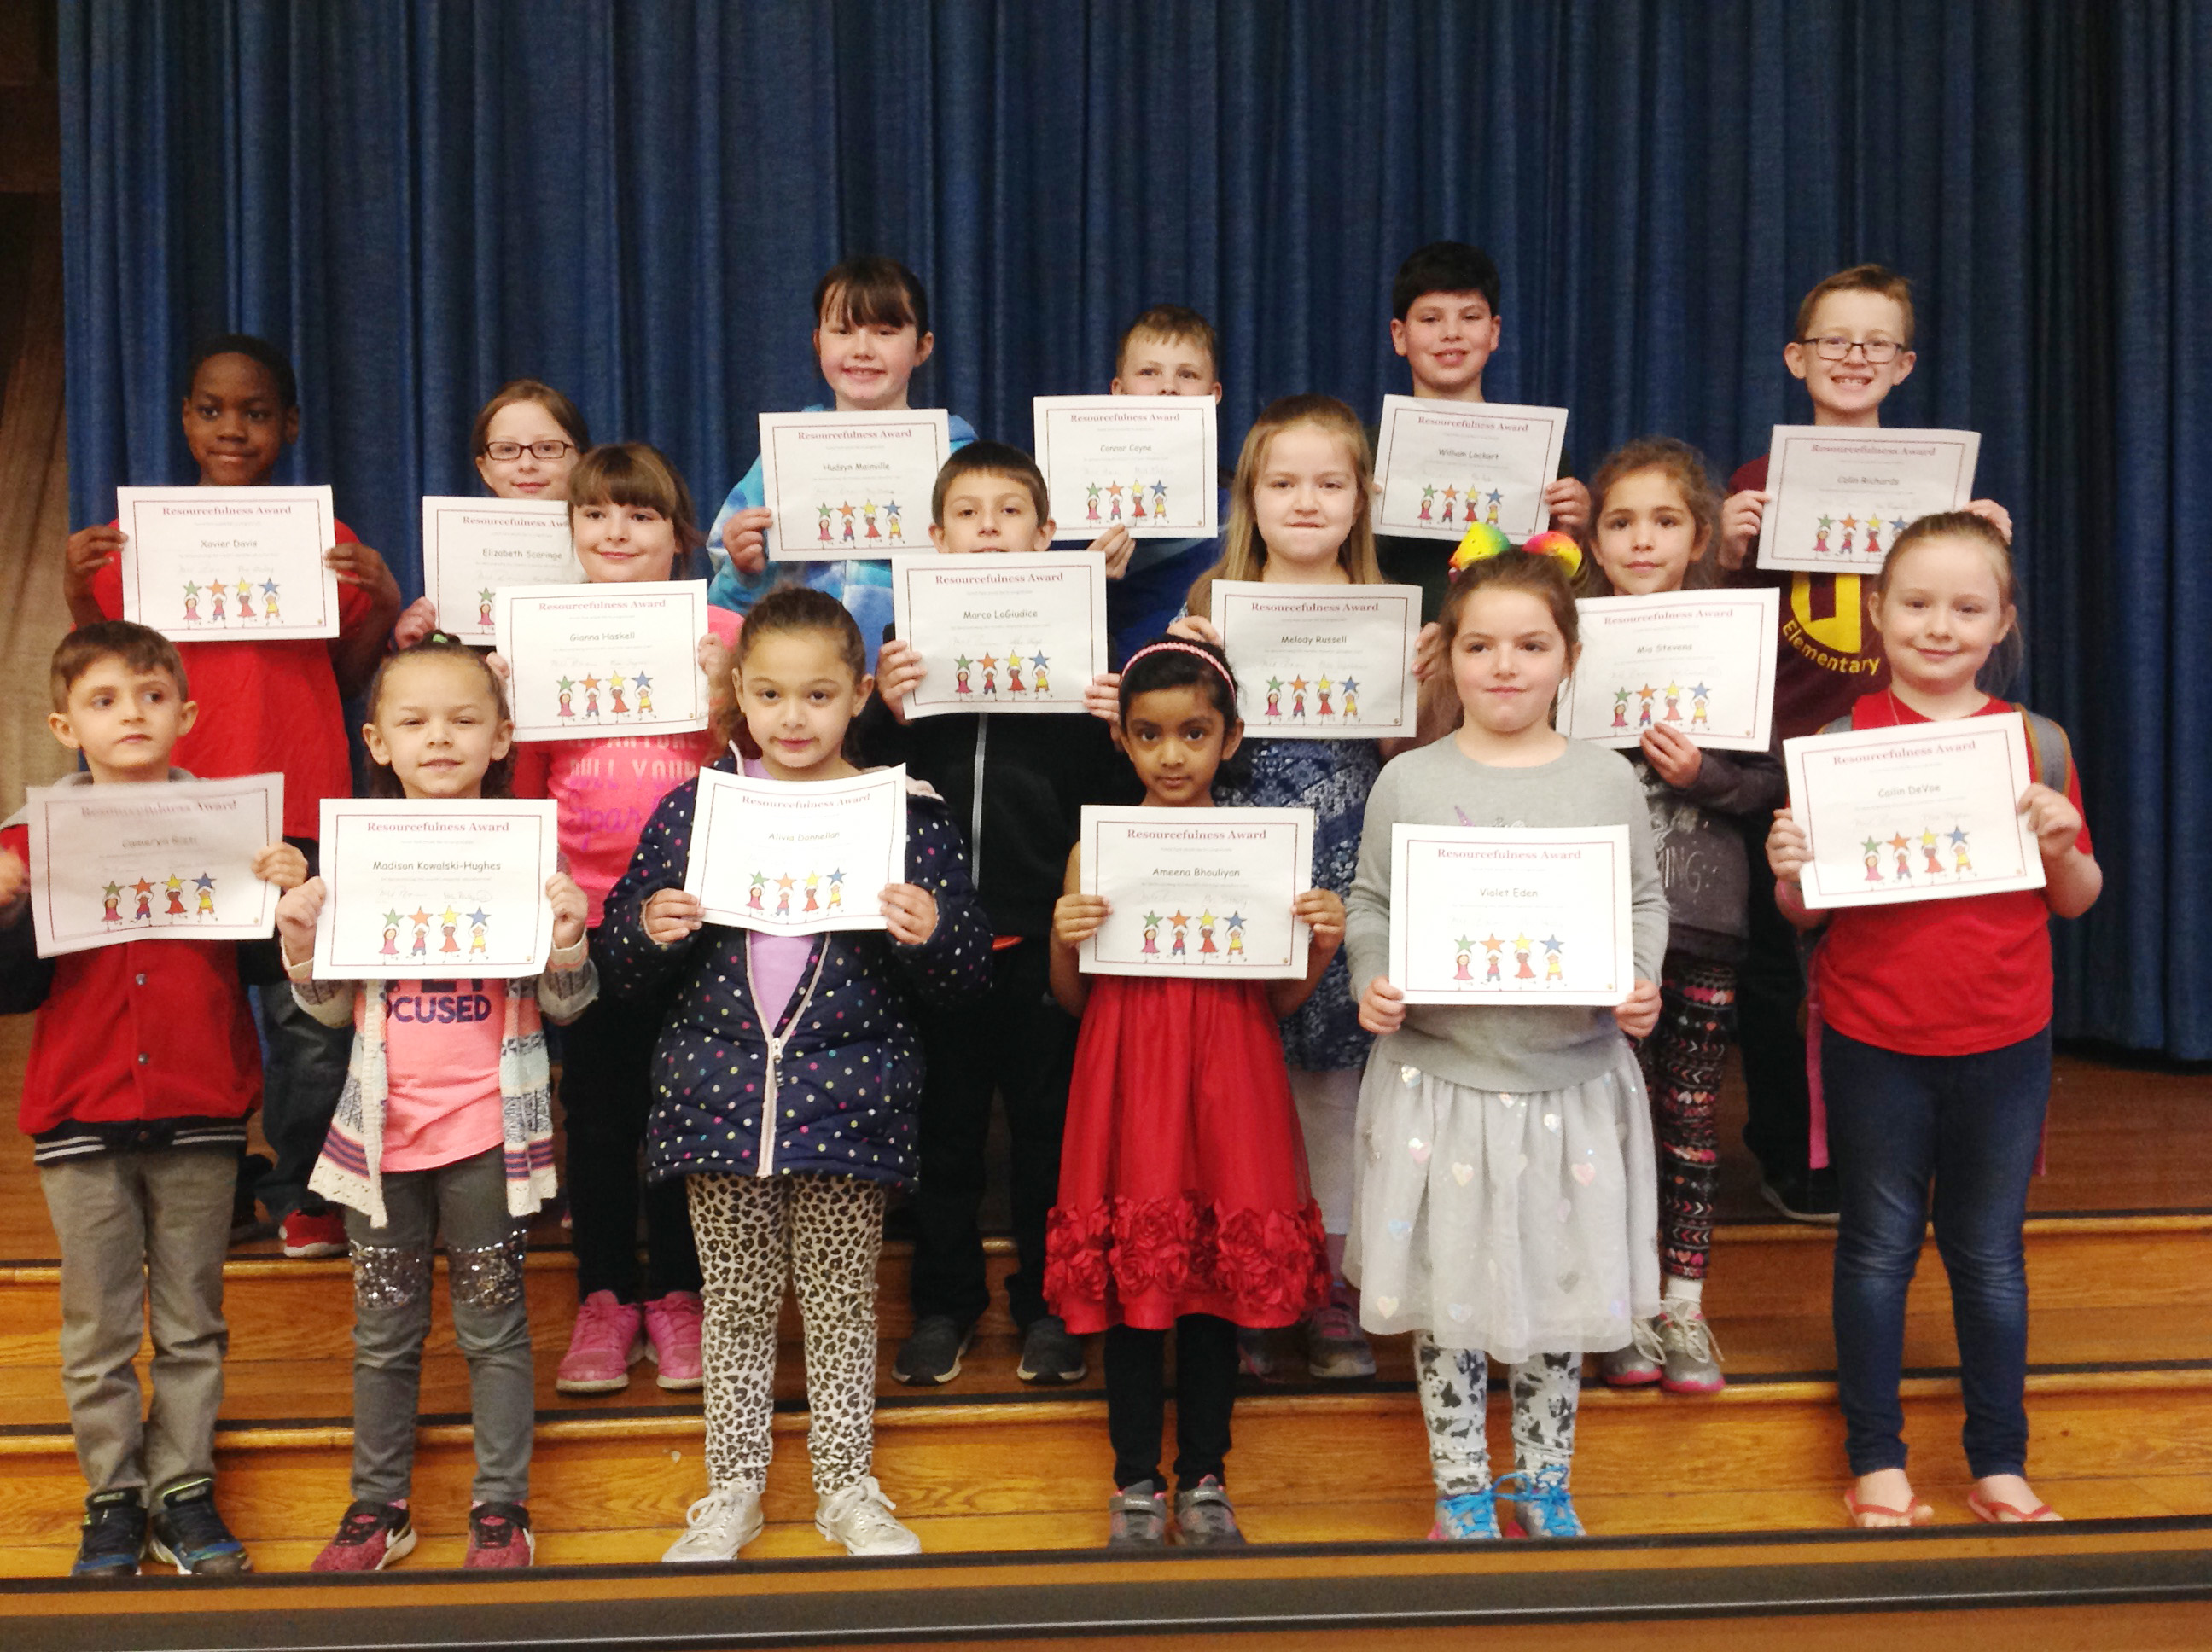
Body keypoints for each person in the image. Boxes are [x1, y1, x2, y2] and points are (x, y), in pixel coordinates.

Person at [596, 587, 992, 1561]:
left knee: (842, 1303)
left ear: (859, 694)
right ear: (740, 690)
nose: (793, 717)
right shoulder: (697, 807)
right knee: (732, 1303)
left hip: (847, 1109)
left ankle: (846, 1488)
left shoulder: (905, 812)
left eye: (818, 695)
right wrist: (648, 928)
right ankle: (731, 1490)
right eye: (770, 694)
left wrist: (931, 935)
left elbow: (969, 971)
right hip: (718, 1103)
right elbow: (621, 952)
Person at [1765, 512, 2099, 1529]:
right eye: (1916, 604)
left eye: (1967, 607)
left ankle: (1998, 1462)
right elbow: (1804, 916)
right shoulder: (1833, 745)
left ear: (2003, 621)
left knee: (1990, 1252)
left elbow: (2079, 897)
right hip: (1874, 1036)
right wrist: (1789, 870)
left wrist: (2063, 835)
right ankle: (1877, 1461)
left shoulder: (2037, 742)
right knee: (1875, 1247)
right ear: (1877, 614)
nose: (1939, 626)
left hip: (2005, 1037)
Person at [1348, 549, 1668, 1541]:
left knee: (1557, 1281)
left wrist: (1640, 979)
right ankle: (1459, 1490)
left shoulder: (1607, 778)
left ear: (1570, 655)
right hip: (1440, 1084)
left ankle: (1542, 1479)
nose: (1505, 666)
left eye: (1531, 645)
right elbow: (1371, 904)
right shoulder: (1407, 779)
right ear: (1446, 656)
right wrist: (1374, 979)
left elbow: (1643, 900)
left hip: (1569, 1084)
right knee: (1448, 1293)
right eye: (1480, 644)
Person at [61, 334, 403, 1260]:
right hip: (179, 810)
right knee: (190, 1008)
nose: (232, 428)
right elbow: (109, 673)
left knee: (307, 1019)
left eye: (255, 412)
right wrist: (73, 585)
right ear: (184, 420)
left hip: (300, 801)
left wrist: (383, 595)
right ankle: (200, 1187)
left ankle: (303, 1193)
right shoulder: (133, 543)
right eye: (212, 410)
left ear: (288, 426)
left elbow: (347, 673)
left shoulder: (327, 543)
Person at [0, 622, 307, 1576]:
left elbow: (268, 966)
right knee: (96, 1324)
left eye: (148, 695)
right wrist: (6, 907)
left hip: (202, 1109)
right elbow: (13, 989)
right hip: (79, 1113)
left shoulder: (239, 830)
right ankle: (110, 1496)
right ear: (63, 724)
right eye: (102, 700)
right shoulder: (23, 840)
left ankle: (182, 1488)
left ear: (187, 712)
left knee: (191, 1319)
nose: (129, 714)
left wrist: (290, 894)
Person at [1718, 265, 2016, 1222]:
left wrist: (1987, 539)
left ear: (1903, 365)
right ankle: (1790, 1151)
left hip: (1900, 755)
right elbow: (1710, 636)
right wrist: (1721, 555)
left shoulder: (1940, 492)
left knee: (1886, 963)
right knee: (1774, 970)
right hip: (1781, 758)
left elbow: (1969, 608)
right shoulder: (1757, 484)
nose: (1854, 357)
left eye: (1875, 343)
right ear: (1797, 359)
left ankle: (1885, 1153)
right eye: (1835, 341)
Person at [1164, 394, 1443, 1381]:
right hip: (1239, 882)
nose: (1307, 501)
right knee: (1243, 1091)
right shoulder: (1209, 601)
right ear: (1250, 495)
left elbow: (1414, 762)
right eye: (1284, 482)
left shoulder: (1400, 614)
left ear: (1363, 499)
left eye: (1330, 483)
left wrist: (1415, 691)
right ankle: (1250, 1279)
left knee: (1334, 1094)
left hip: (1348, 883)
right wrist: (1177, 666)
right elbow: (1173, 747)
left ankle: (1330, 1285)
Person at [1045, 637, 1341, 1549]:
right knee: (1142, 1279)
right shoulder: (1092, 851)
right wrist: (1065, 935)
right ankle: (1135, 1478)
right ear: (1123, 742)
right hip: (1128, 1075)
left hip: (1231, 1076)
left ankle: (1206, 1474)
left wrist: (1320, 944)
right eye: (1150, 735)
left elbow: (1283, 999)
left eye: (1194, 734)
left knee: (1212, 1285)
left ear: (1230, 737)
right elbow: (1070, 996)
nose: (1172, 754)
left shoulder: (1265, 853)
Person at [864, 444, 1136, 1388]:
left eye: (1010, 510)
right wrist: (883, 711)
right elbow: (860, 780)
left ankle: (1051, 1304)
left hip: (1042, 931)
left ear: (1047, 534)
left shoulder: (1085, 648)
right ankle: (944, 1302)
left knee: (1047, 1130)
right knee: (942, 1131)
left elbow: (1114, 801)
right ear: (933, 540)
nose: (989, 527)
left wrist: (1114, 730)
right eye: (968, 514)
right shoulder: (907, 648)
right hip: (934, 934)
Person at [507, 443, 737, 1395]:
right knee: (599, 1116)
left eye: (640, 516)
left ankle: (679, 1295)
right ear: (569, 531)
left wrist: (726, 694)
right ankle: (605, 1298)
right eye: (596, 515)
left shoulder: (721, 627)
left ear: (679, 535)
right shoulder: (539, 636)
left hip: (700, 919)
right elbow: (525, 788)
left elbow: (759, 765)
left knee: (687, 1116)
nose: (616, 531)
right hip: (588, 923)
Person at [1580, 439, 1785, 1396]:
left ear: (1699, 534)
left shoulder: (1740, 642)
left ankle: (1683, 1311)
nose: (1642, 539)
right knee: (1602, 1123)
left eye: (1664, 521)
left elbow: (1777, 787)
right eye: (1621, 521)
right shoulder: (1564, 638)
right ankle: (1617, 1311)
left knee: (1688, 1119)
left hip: (1702, 920)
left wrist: (1704, 774)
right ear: (1595, 535)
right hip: (1590, 928)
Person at [706, 256, 975, 667]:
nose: (862, 350)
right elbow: (727, 601)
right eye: (843, 331)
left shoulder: (958, 460)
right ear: (818, 343)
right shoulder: (783, 456)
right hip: (801, 683)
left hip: (913, 682)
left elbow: (989, 575)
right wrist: (743, 567)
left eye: (885, 332)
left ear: (922, 347)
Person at [1371, 243, 1592, 621]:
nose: (1451, 334)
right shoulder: (1364, 451)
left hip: (1503, 647)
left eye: (1470, 317)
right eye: (1430, 320)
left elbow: (1559, 582)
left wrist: (1577, 528)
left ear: (1494, 332)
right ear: (1399, 335)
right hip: (1396, 645)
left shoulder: (1541, 452)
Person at [393, 378, 592, 647]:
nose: (527, 464)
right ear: (484, 469)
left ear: (581, 458)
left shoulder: (611, 542)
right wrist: (418, 647)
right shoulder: (457, 554)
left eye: (547, 448)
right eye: (507, 450)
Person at [1102, 305, 1229, 658]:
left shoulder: (1240, 511)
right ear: (1118, 390)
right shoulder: (1065, 513)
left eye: (1188, 375)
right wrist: (1083, 579)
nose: (1168, 388)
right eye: (1148, 372)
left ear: (1214, 395)